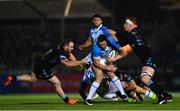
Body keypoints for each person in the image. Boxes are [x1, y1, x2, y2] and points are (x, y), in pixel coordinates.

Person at [111, 16, 173, 104]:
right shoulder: (132, 35)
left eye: (127, 24)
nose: (124, 25)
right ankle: (166, 95)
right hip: (147, 60)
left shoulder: (131, 34)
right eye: (125, 23)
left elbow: (114, 34)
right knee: (140, 79)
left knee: (144, 79)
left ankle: (161, 97)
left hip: (149, 60)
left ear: (133, 25)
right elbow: (119, 41)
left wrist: (103, 30)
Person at [4, 39, 82, 105]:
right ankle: (67, 100)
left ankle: (13, 78)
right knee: (57, 83)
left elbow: (70, 55)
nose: (72, 48)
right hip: (43, 67)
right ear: (66, 46)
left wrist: (77, 62)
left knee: (32, 79)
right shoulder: (61, 52)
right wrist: (79, 62)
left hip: (39, 63)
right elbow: (67, 64)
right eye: (71, 47)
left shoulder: (63, 47)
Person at [84, 34, 129, 105]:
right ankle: (88, 99)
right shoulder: (96, 47)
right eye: (100, 44)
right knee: (99, 77)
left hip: (105, 60)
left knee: (111, 74)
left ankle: (123, 94)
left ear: (107, 41)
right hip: (95, 61)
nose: (102, 46)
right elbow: (96, 63)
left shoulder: (112, 42)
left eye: (103, 44)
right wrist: (109, 68)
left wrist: (113, 59)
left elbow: (123, 53)